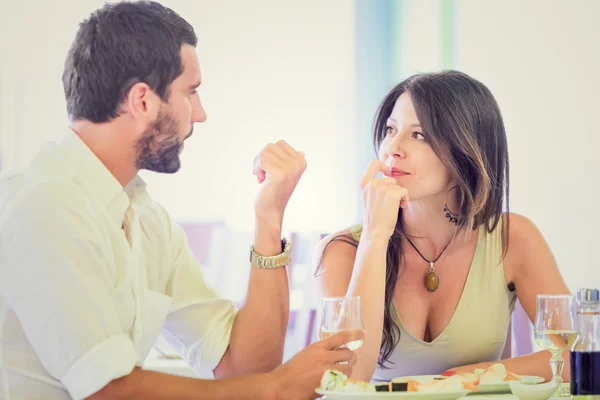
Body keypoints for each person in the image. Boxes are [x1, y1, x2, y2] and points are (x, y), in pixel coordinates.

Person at [0, 2, 361, 399]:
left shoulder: (146, 220)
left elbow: (243, 365)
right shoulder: (46, 205)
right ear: (142, 101)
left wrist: (269, 217)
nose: (201, 114)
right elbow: (106, 392)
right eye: (191, 92)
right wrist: (275, 388)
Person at [315, 71, 571, 382]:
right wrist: (375, 236)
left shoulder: (511, 238)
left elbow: (575, 356)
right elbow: (347, 379)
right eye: (390, 130)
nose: (393, 148)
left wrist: (474, 375)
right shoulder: (344, 250)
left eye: (418, 135)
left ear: (466, 150)